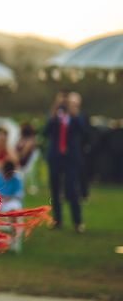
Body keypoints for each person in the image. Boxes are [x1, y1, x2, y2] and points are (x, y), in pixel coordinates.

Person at [43, 93, 84, 233]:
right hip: (55, 158)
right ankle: (57, 220)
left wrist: (75, 114)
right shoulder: (55, 116)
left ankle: (77, 222)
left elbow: (83, 132)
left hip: (70, 159)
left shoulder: (75, 117)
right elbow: (45, 132)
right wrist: (52, 114)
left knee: (72, 190)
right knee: (54, 190)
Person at [0, 160, 24, 251]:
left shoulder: (16, 179)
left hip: (11, 201)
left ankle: (14, 237)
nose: (7, 176)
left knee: (14, 212)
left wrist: (9, 197)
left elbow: (19, 194)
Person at [68, 92, 91, 201]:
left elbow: (86, 132)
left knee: (81, 171)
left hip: (80, 148)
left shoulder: (83, 115)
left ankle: (84, 193)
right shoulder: (65, 116)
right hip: (67, 149)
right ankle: (68, 193)